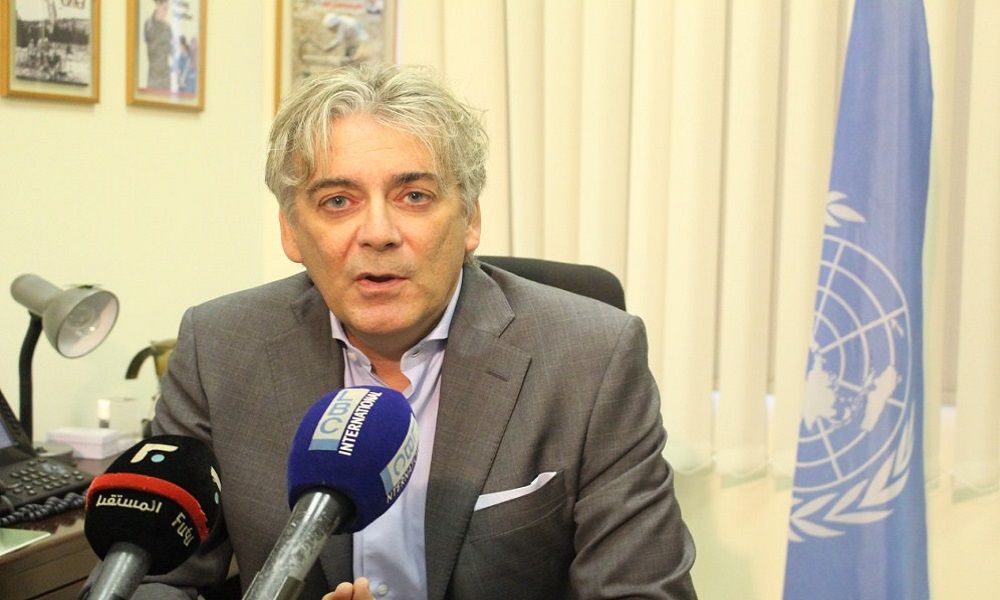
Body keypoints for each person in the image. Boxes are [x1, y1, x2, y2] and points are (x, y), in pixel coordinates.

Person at [133, 63, 697, 599]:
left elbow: (640, 590)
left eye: (414, 196)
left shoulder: (593, 358)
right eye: (338, 201)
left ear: (470, 219)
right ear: (291, 232)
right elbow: (155, 577)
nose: (378, 232)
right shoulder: (219, 348)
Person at [144, 0, 172, 90]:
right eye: (164, 9)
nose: (166, 12)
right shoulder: (148, 24)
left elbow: (170, 50)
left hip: (165, 77)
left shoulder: (168, 28)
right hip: (153, 76)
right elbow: (149, 46)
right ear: (157, 5)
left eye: (167, 9)